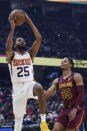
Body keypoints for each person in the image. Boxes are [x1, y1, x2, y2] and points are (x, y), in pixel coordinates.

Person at [5, 10, 50, 131]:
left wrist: (27, 19)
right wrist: (13, 27)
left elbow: (39, 38)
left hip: (30, 84)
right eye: (18, 40)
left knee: (40, 88)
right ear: (15, 45)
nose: (20, 41)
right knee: (18, 122)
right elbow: (7, 47)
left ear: (25, 44)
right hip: (18, 88)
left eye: (22, 40)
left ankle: (43, 123)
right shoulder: (12, 55)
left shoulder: (30, 54)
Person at [45, 57, 85, 131]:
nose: (62, 63)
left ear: (71, 65)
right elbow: (46, 94)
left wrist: (75, 110)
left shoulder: (76, 76)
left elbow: (81, 95)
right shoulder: (57, 80)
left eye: (65, 61)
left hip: (77, 109)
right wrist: (35, 85)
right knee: (55, 129)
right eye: (62, 61)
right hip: (65, 109)